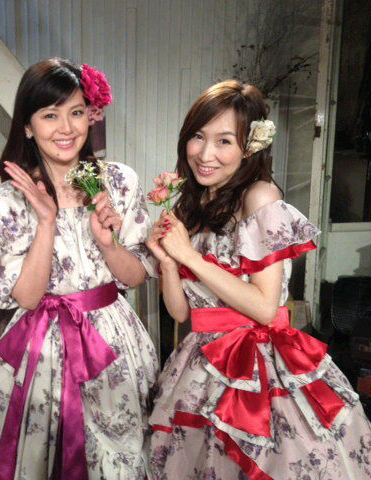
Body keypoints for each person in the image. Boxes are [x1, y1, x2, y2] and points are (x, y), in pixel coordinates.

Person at [146, 79, 371, 479]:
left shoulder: (260, 196)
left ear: (250, 146)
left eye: (224, 141)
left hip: (257, 367)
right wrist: (167, 261)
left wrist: (189, 257)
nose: (205, 154)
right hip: (201, 361)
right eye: (198, 136)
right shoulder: (192, 203)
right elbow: (181, 312)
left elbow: (266, 308)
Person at [0, 58, 159, 479]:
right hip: (41, 345)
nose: (66, 128)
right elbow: (25, 297)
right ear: (27, 126)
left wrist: (108, 244)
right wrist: (46, 222)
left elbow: (135, 277)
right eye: (50, 115)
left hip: (112, 338)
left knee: (118, 452)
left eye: (76, 112)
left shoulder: (119, 181)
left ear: (90, 116)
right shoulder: (11, 197)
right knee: (45, 452)